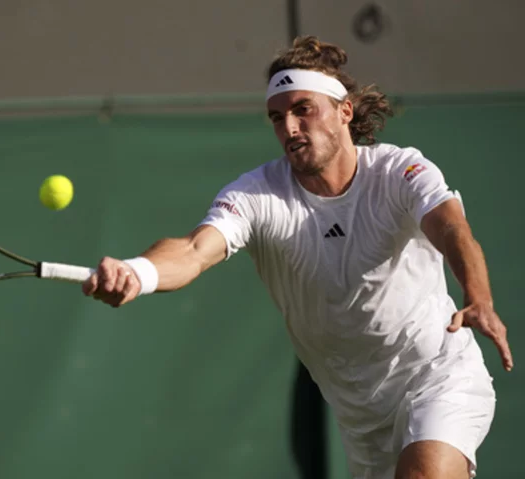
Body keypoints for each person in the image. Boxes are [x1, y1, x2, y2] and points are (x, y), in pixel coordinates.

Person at [82, 36, 513, 478]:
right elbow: (194, 250)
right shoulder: (255, 195)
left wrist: (478, 295)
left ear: (344, 111)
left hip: (438, 376)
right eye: (276, 116)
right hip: (360, 418)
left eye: (302, 109)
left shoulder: (400, 171)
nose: (288, 127)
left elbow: (451, 227)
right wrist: (138, 273)